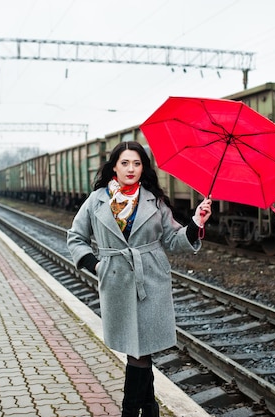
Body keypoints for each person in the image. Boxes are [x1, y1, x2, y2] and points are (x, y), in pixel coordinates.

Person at [66, 141, 212, 417]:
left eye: (137, 163)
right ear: (114, 167)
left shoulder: (153, 200)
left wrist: (197, 222)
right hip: (116, 281)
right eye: (125, 163)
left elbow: (172, 239)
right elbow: (76, 237)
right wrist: (96, 266)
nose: (131, 169)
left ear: (143, 167)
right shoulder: (96, 199)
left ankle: (130, 410)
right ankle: (150, 408)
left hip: (152, 280)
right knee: (139, 351)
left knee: (140, 351)